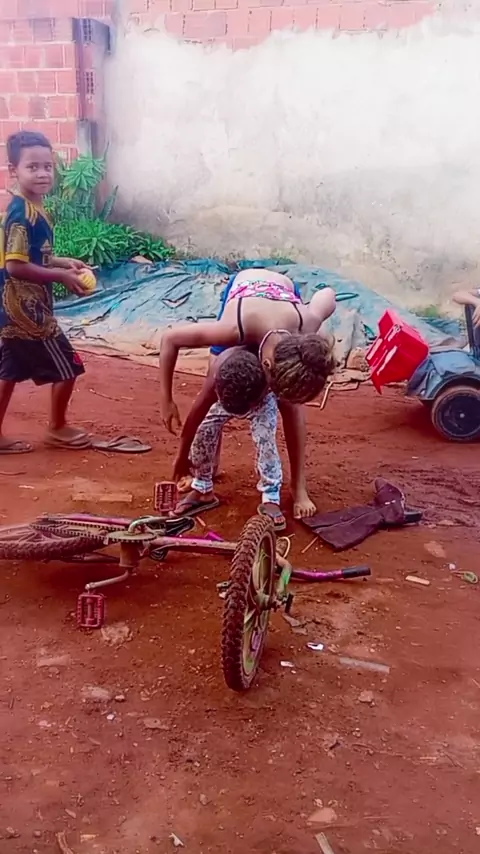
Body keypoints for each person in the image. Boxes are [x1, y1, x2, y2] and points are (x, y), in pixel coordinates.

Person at [159, 267, 336, 518]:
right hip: (244, 294)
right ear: (267, 365)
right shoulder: (233, 329)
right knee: (219, 384)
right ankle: (204, 474)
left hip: (283, 296)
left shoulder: (304, 326)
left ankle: (298, 486)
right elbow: (170, 339)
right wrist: (166, 402)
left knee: (289, 404)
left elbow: (327, 295)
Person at [0, 131, 91, 454]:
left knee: (9, 371)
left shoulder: (35, 208)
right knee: (69, 365)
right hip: (27, 312)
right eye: (32, 167)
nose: (42, 174)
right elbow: (15, 265)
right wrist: (60, 276)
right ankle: (57, 427)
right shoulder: (21, 214)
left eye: (47, 167)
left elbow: (33, 256)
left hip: (12, 309)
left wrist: (61, 262)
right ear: (14, 171)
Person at [172, 347, 287, 529]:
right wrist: (182, 456)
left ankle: (271, 496)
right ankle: (202, 487)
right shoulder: (217, 379)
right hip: (230, 392)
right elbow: (194, 419)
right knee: (204, 428)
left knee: (265, 439)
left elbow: (293, 415)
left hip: (260, 397)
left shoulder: (272, 373)